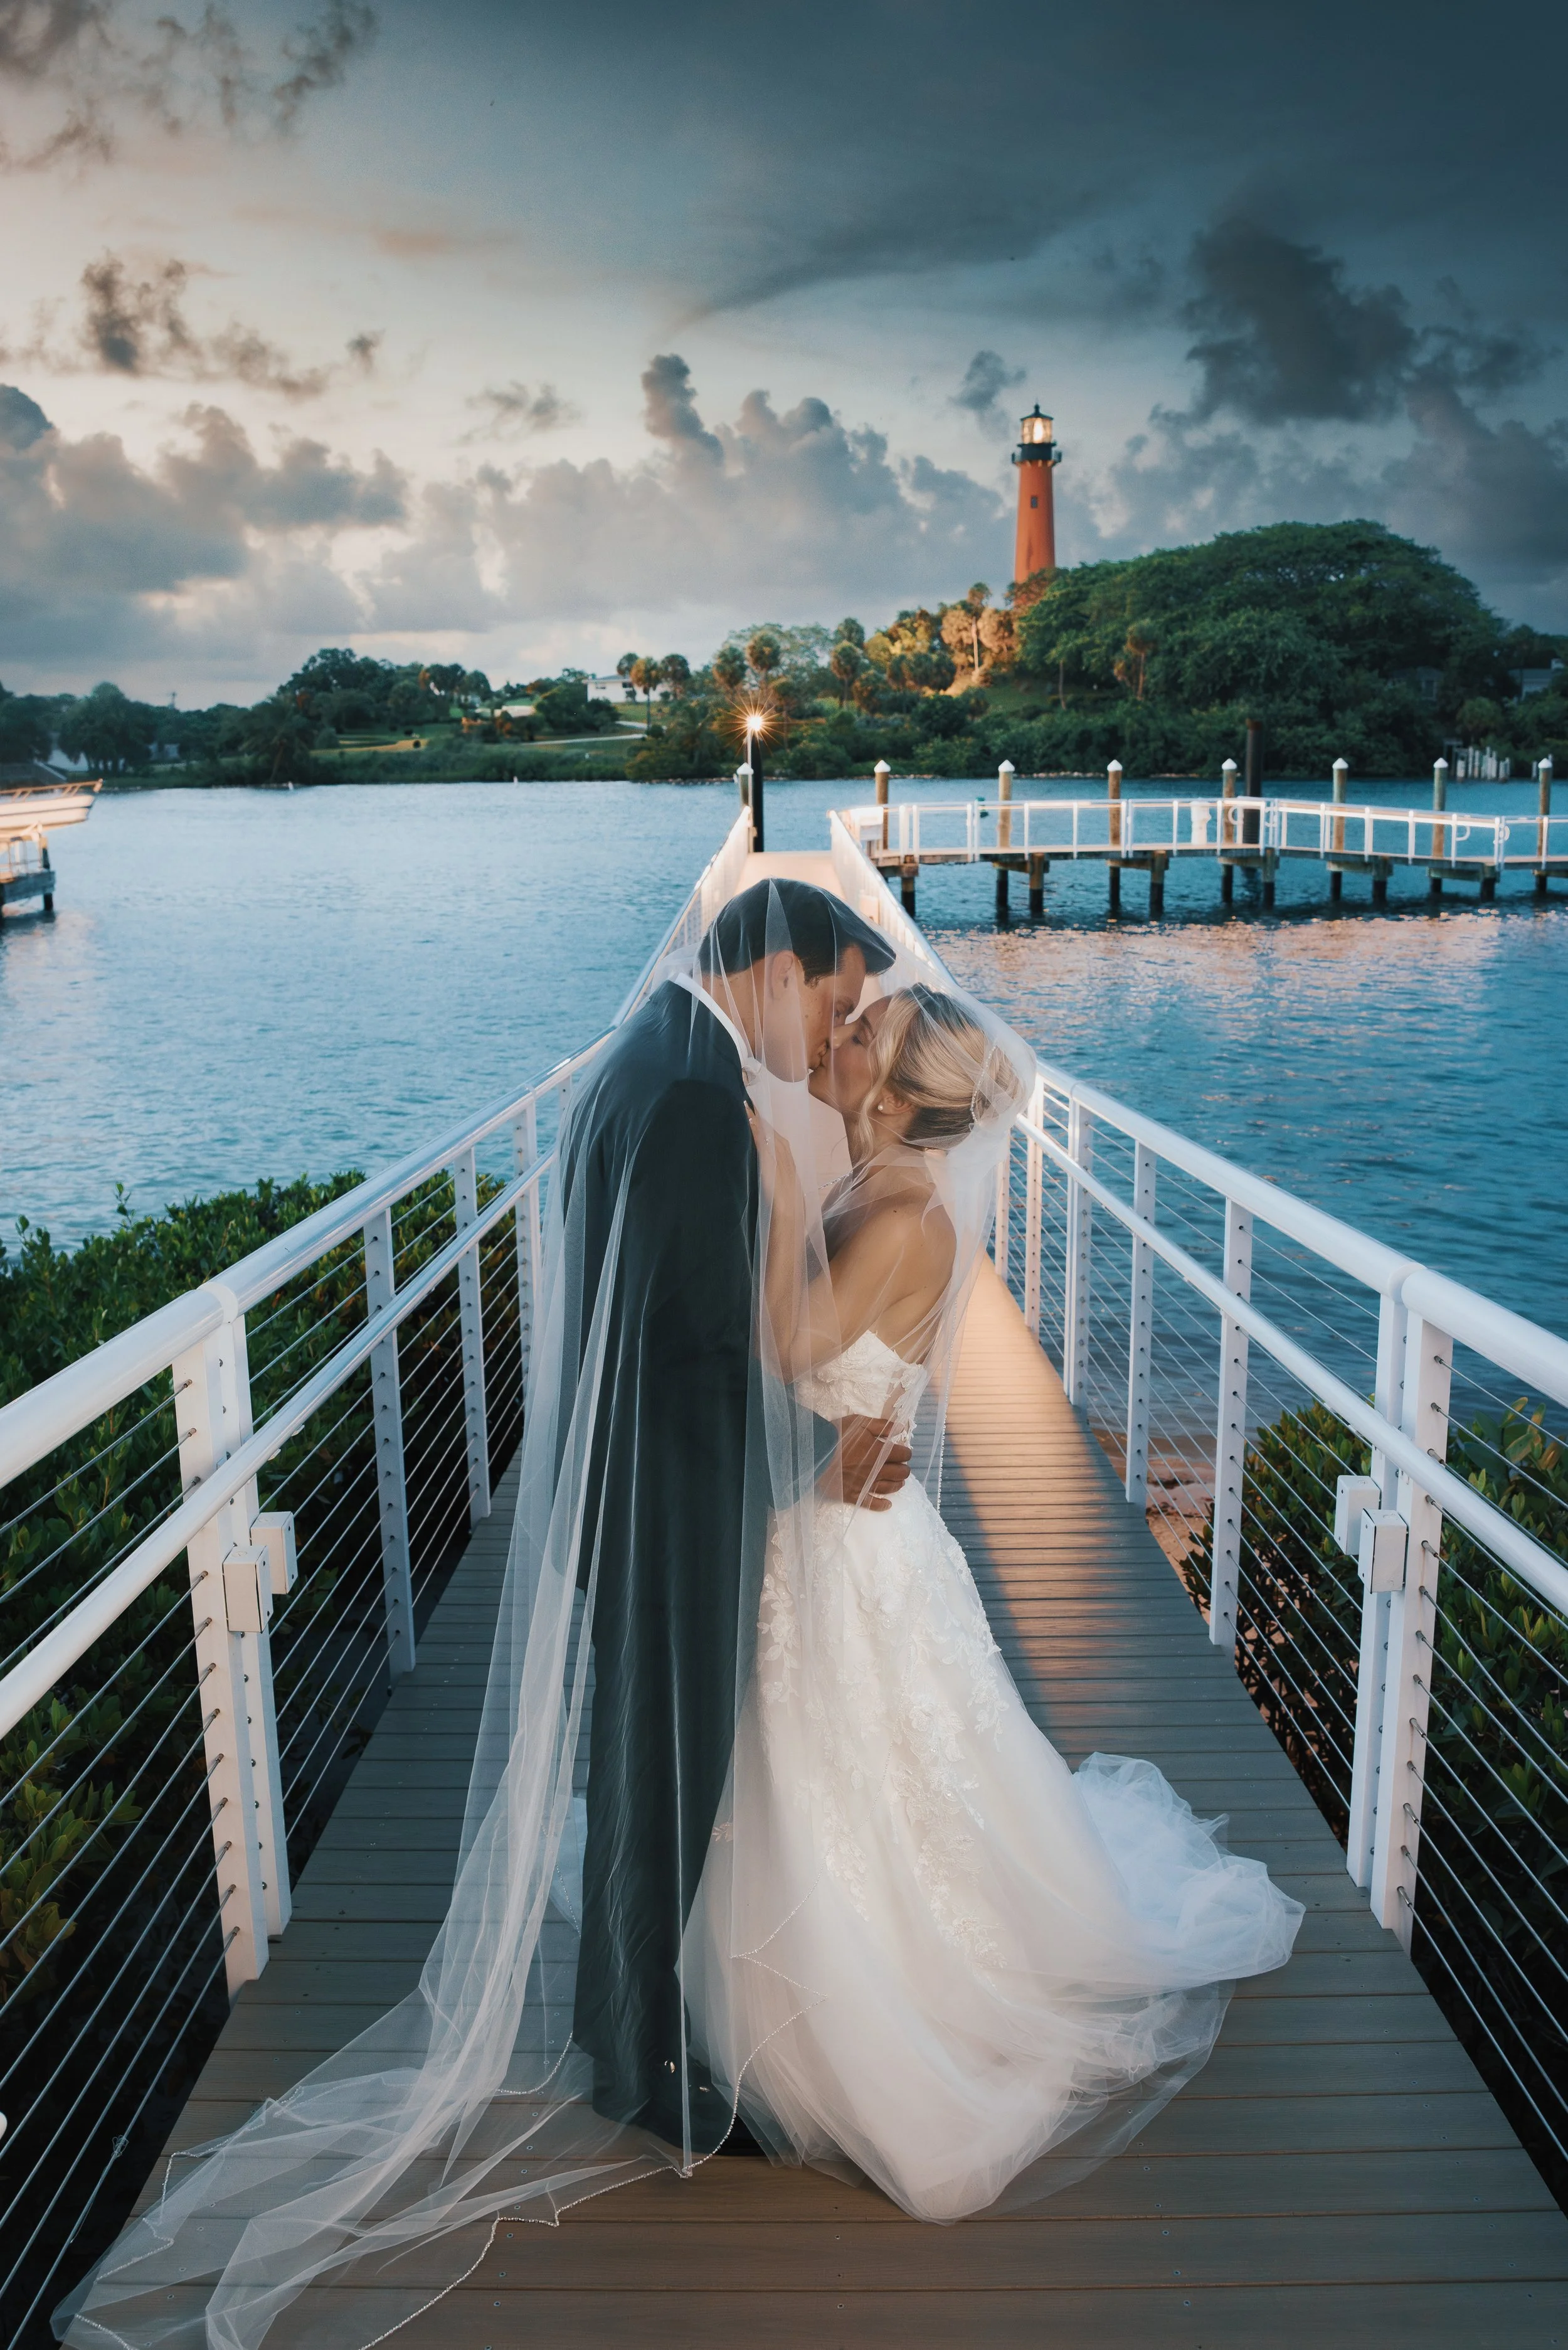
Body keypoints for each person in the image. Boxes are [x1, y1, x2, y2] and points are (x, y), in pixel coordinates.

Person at [682, 984, 1304, 2221]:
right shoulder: (870, 1186)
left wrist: (766, 1170)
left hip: (850, 1545)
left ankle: (886, 1988)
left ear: (901, 1090)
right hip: (831, 1509)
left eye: (861, 1032)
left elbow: (789, 1332)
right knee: (838, 1757)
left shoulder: (901, 1214)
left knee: (866, 1757)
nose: (839, 1031)